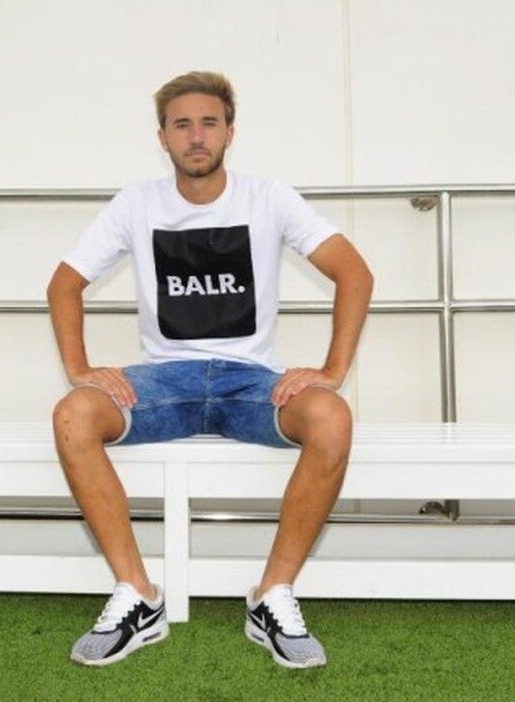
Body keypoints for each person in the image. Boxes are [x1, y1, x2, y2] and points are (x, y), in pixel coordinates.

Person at [46, 71, 373, 669]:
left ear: (229, 132)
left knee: (332, 416)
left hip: (250, 383)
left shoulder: (268, 198)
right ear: (163, 138)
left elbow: (354, 271)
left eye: (208, 123)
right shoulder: (137, 204)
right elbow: (64, 283)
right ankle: (137, 594)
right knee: (73, 415)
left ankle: (272, 594)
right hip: (164, 383)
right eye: (182, 125)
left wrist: (332, 369)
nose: (196, 136)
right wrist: (79, 368)